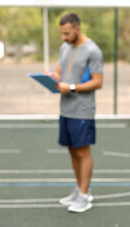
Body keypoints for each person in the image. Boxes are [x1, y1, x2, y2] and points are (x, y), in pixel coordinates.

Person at [48, 13, 103, 213]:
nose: (63, 37)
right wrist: (52, 77)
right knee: (72, 150)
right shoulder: (65, 47)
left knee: (82, 151)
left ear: (77, 29)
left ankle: (85, 195)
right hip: (66, 109)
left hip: (82, 111)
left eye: (67, 33)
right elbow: (60, 70)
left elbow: (98, 82)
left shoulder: (92, 51)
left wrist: (70, 87)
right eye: (62, 33)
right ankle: (79, 189)